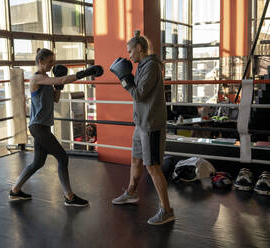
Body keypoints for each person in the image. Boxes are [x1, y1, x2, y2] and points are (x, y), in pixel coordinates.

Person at [10, 48, 103, 207]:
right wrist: (85, 73)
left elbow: (55, 99)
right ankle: (69, 196)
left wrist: (59, 87)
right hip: (38, 126)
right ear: (41, 62)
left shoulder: (45, 79)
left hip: (43, 127)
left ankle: (15, 191)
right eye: (50, 62)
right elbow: (60, 81)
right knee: (62, 157)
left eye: (54, 62)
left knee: (38, 162)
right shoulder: (36, 79)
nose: (53, 65)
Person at [110, 31, 175, 225]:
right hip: (141, 123)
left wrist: (124, 78)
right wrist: (128, 77)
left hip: (151, 124)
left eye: (130, 51)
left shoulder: (152, 66)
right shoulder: (143, 66)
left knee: (153, 166)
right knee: (135, 160)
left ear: (139, 48)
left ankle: (166, 210)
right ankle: (131, 193)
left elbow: (139, 94)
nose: (129, 55)